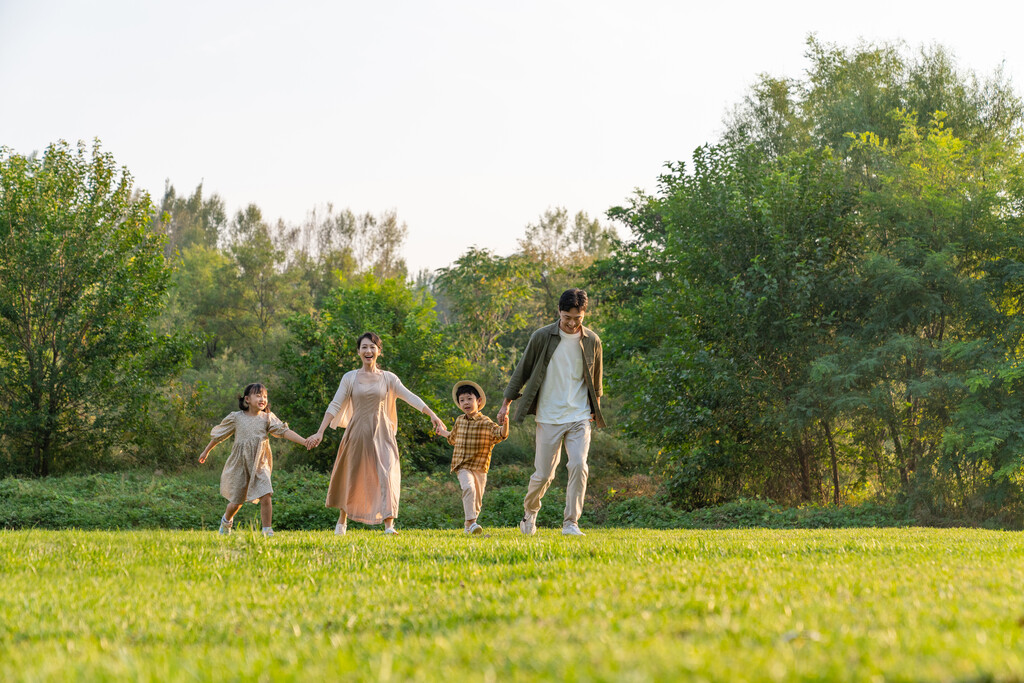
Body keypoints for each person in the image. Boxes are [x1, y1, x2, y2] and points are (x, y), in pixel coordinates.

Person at [305, 332, 446, 535]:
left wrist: (432, 414)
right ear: (358, 352)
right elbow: (334, 405)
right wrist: (320, 432)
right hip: (357, 433)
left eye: (372, 347)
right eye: (364, 347)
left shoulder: (388, 378)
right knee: (351, 475)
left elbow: (410, 396)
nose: (368, 351)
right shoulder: (350, 377)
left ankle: (389, 525)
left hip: (383, 433)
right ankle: (341, 521)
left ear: (379, 351)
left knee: (387, 474)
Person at [496, 288, 605, 536]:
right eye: (567, 317)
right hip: (549, 416)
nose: (571, 322)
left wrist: (594, 411)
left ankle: (571, 523)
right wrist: (506, 404)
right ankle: (530, 514)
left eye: (577, 318)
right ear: (559, 311)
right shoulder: (542, 336)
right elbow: (522, 371)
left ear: (584, 314)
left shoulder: (592, 341)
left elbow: (596, 381)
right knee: (544, 474)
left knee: (579, 465)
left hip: (579, 416)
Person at [199, 382, 308, 537]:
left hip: (260, 462)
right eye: (258, 395)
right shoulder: (236, 418)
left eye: (264, 396)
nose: (262, 399)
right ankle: (226, 520)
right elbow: (219, 436)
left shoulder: (268, 418)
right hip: (240, 464)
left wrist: (304, 441)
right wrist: (206, 451)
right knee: (236, 502)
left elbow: (284, 431)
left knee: (266, 493)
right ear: (247, 399)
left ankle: (267, 530)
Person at [436, 380, 509, 535]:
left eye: (469, 399)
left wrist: (506, 423)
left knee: (477, 501)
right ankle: (473, 523)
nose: (465, 403)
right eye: (462, 400)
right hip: (462, 465)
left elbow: (500, 434)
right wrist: (442, 432)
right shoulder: (459, 420)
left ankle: (468, 527)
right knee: (468, 488)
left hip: (480, 466)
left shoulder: (485, 422)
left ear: (478, 401)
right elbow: (453, 438)